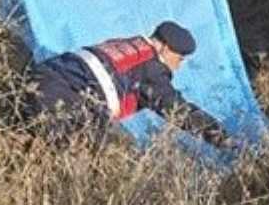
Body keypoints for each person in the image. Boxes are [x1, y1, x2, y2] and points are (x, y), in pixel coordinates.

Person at [24, 21, 232, 148]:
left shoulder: (124, 43)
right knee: (119, 156)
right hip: (62, 97)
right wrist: (221, 138)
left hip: (36, 77)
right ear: (166, 49)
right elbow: (178, 111)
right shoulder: (151, 68)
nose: (179, 65)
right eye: (180, 58)